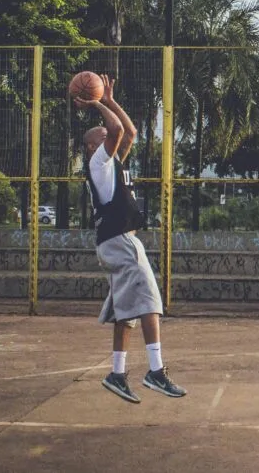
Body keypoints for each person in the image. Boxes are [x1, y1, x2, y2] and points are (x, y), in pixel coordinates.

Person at [76, 75, 186, 404]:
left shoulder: (112, 162)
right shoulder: (98, 162)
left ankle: (117, 374)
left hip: (115, 241)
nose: (108, 133)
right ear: (93, 146)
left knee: (127, 314)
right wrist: (96, 103)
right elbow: (117, 130)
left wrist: (109, 100)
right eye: (102, 134)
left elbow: (129, 131)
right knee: (150, 303)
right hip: (120, 242)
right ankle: (156, 371)